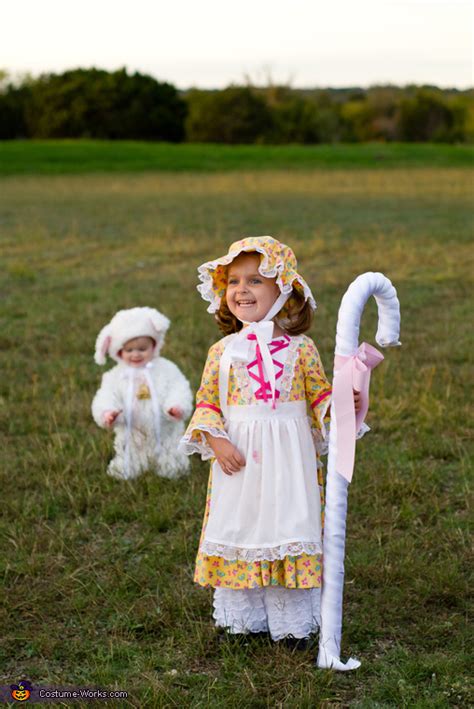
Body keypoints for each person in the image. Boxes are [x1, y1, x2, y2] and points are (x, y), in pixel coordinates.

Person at [179, 236, 362, 643]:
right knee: (242, 526)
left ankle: (292, 622)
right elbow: (207, 401)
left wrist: (340, 405)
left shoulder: (301, 349)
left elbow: (318, 395)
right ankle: (242, 619)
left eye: (256, 281)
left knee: (288, 524)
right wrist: (216, 439)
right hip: (239, 460)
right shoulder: (222, 351)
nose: (241, 290)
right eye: (233, 282)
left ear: (283, 290)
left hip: (289, 460)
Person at [92, 307, 192, 480]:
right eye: (129, 350)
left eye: (142, 348)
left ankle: (171, 464)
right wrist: (108, 413)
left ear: (154, 346)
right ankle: (130, 465)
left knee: (172, 465)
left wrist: (176, 406)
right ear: (118, 351)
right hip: (132, 434)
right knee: (127, 463)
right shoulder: (115, 376)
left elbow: (179, 387)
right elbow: (106, 396)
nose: (136, 354)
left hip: (165, 429)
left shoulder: (165, 369)